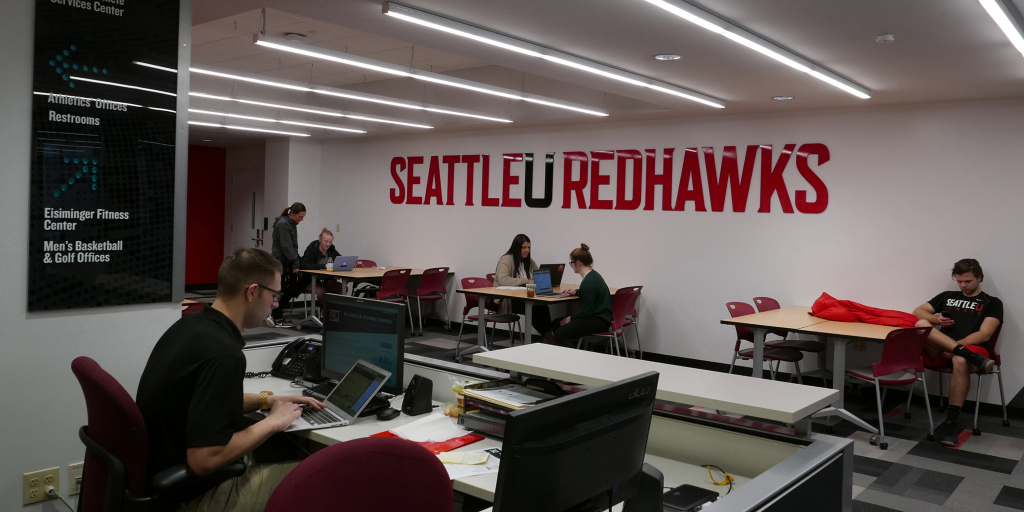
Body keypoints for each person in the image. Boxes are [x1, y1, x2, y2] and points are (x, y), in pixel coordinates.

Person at [136, 248, 324, 511]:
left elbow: (204, 404)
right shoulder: (224, 354)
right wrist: (273, 423)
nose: (276, 304)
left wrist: (266, 400)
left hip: (157, 474)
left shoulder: (190, 326)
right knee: (325, 474)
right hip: (193, 497)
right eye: (274, 295)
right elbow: (204, 459)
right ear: (252, 292)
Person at [913, 258, 1002, 447]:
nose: (963, 285)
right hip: (947, 350)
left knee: (960, 359)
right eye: (959, 281)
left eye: (968, 281)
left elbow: (985, 334)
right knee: (921, 324)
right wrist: (937, 321)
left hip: (971, 349)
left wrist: (954, 347)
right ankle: (968, 355)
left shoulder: (992, 302)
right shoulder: (948, 296)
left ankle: (951, 423)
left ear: (980, 278)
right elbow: (918, 311)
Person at [494, 234, 556, 344]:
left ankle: (547, 336)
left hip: (525, 296)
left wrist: (544, 281)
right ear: (516, 247)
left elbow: (537, 276)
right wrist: (526, 280)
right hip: (508, 299)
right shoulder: (506, 259)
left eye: (528, 247)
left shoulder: (529, 261)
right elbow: (503, 280)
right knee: (533, 306)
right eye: (524, 248)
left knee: (542, 306)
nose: (527, 250)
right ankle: (549, 337)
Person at [551, 243, 613, 347]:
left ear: (578, 263)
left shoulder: (588, 282)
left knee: (560, 333)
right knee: (555, 323)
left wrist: (570, 318)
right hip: (602, 318)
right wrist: (576, 292)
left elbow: (586, 312)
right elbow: (590, 294)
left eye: (571, 263)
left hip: (598, 321)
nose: (571, 266)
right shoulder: (593, 275)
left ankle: (573, 360)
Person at [270, 202, 305, 322]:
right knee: (281, 290)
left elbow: (292, 246)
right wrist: (296, 262)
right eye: (300, 217)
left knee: (291, 289)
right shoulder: (283, 224)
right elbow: (286, 246)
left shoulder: (291, 223)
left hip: (288, 260)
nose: (302, 219)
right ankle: (276, 317)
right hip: (280, 261)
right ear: (293, 213)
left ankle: (276, 315)